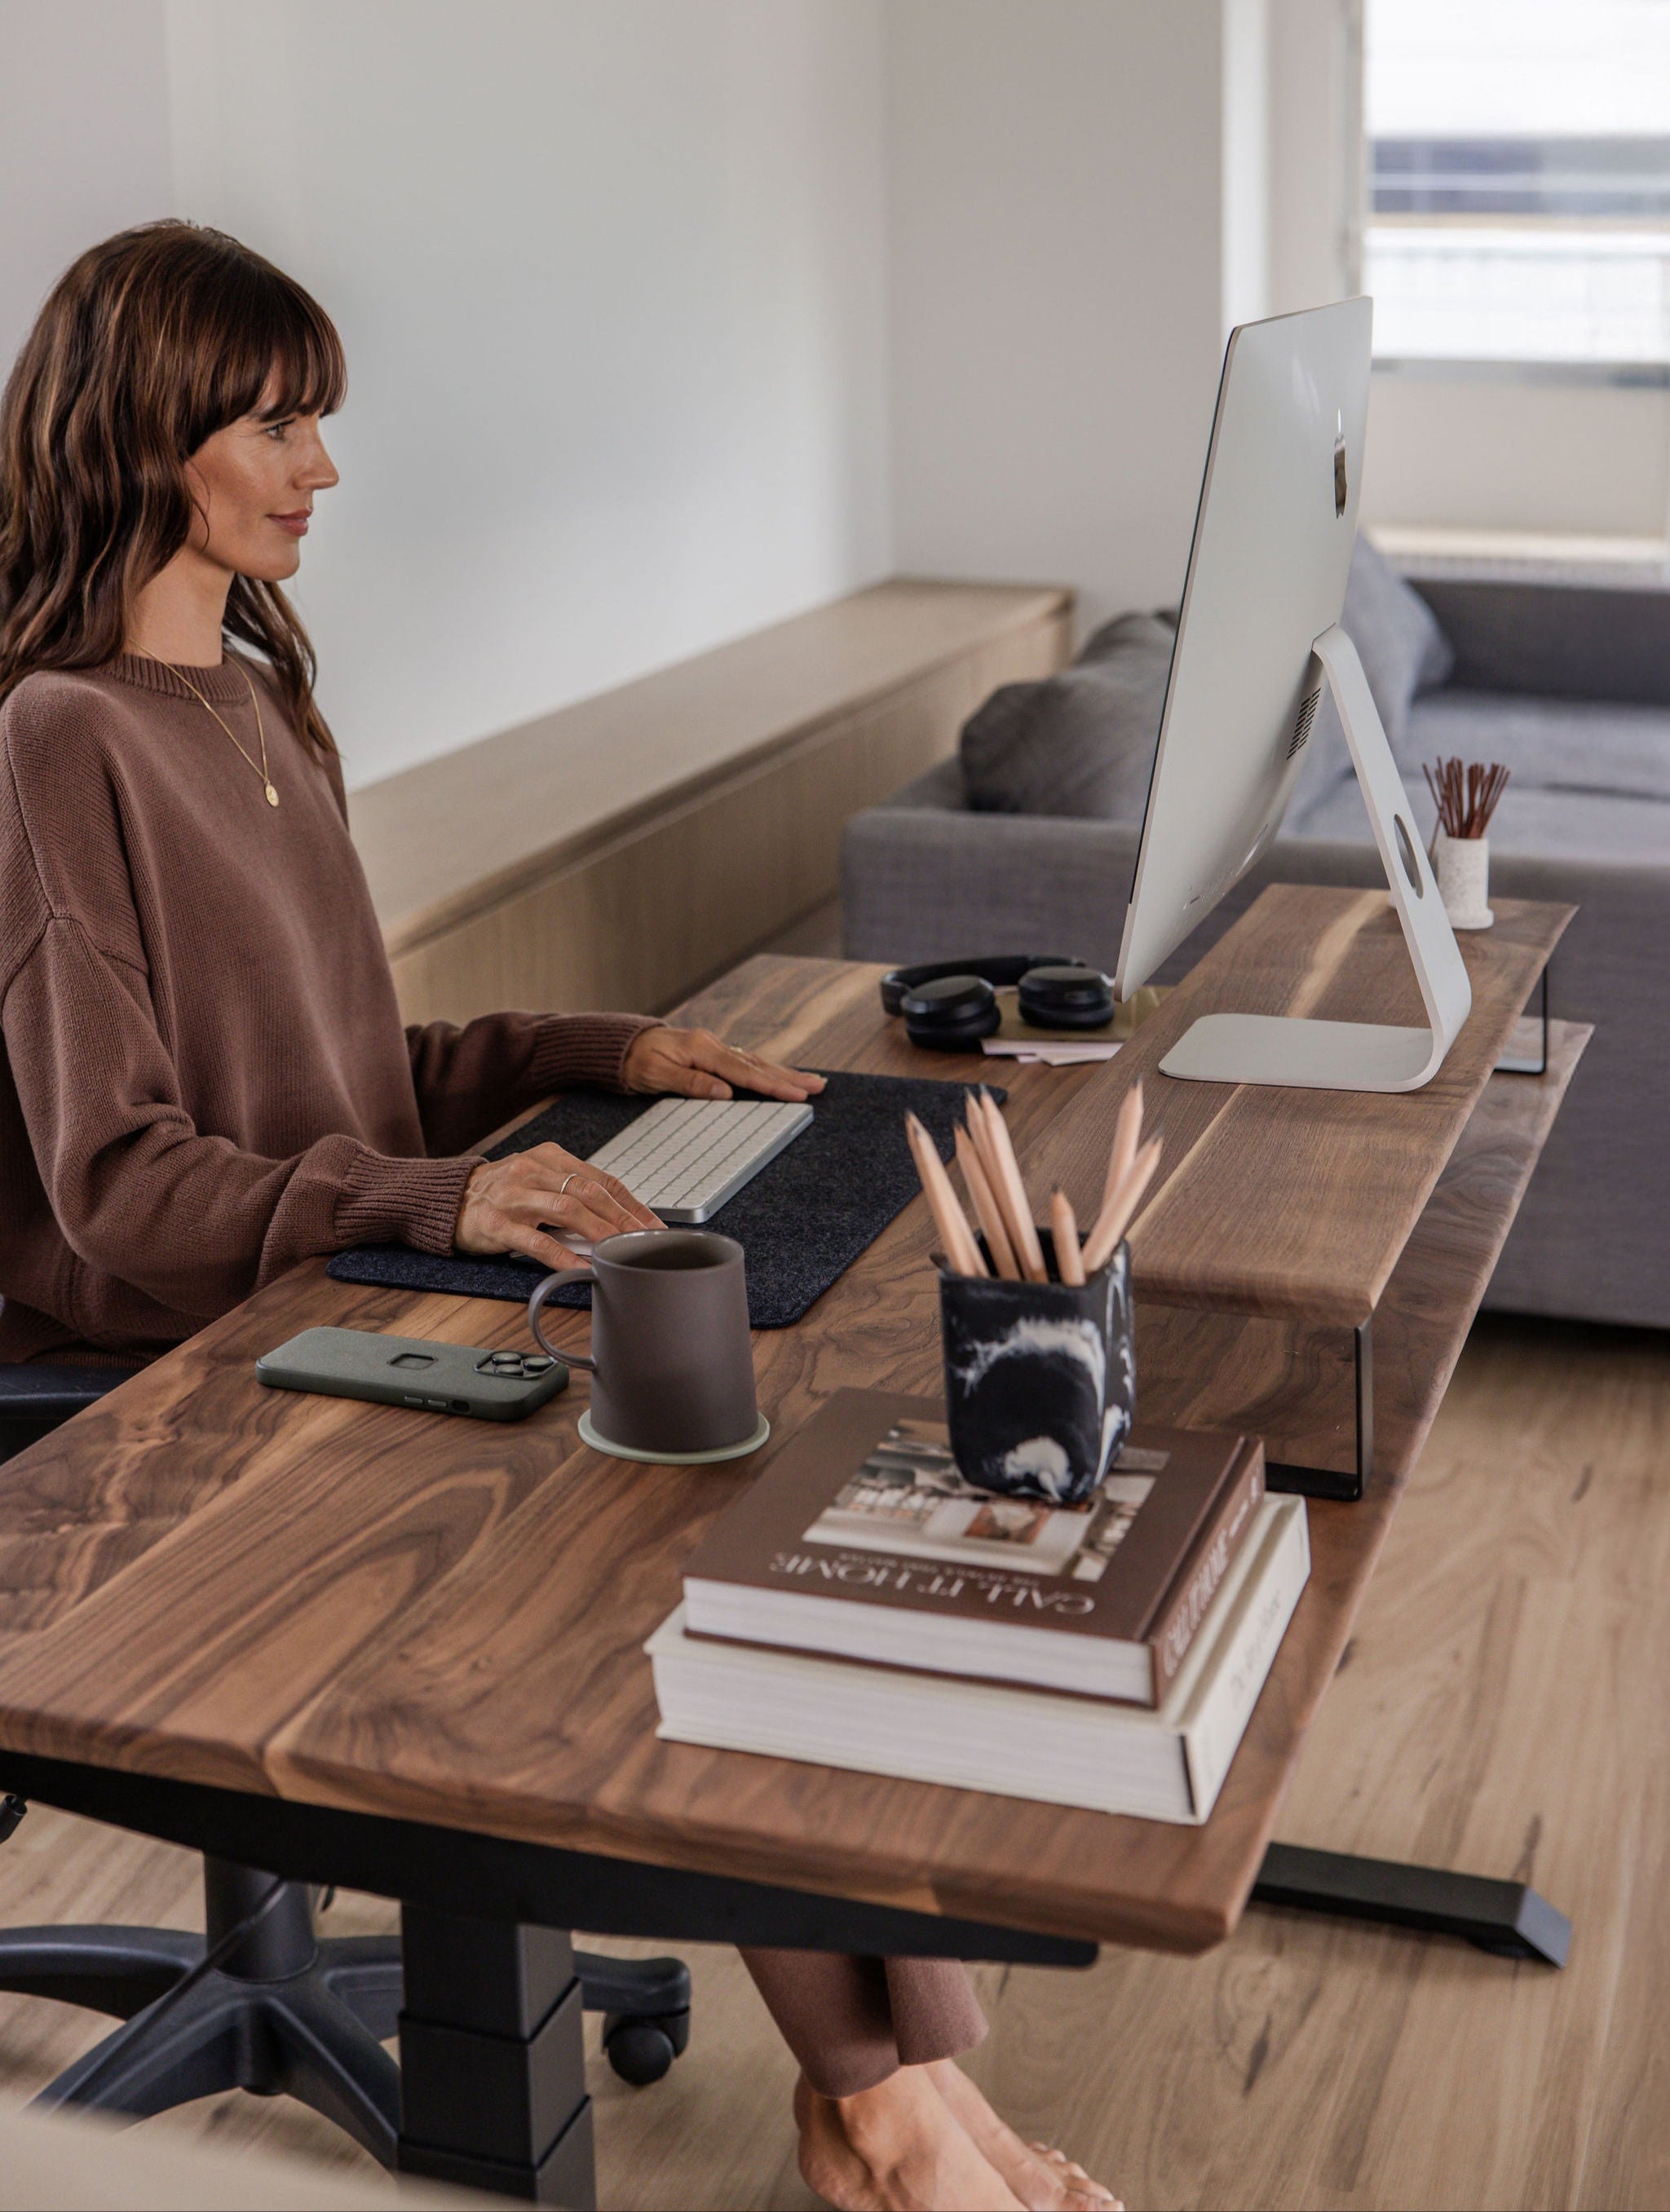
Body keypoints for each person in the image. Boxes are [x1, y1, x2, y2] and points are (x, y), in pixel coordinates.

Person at [0, 223, 1116, 2212]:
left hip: (340, 1266)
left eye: (320, 422)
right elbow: (117, 1178)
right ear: (146, 433)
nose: (321, 468)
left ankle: (904, 2090)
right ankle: (877, 2105)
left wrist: (607, 1048)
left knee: (747, 1456)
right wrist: (439, 1192)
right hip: (173, 1345)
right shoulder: (51, 740)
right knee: (681, 1509)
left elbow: (343, 1065)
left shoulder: (257, 700)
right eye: (276, 423)